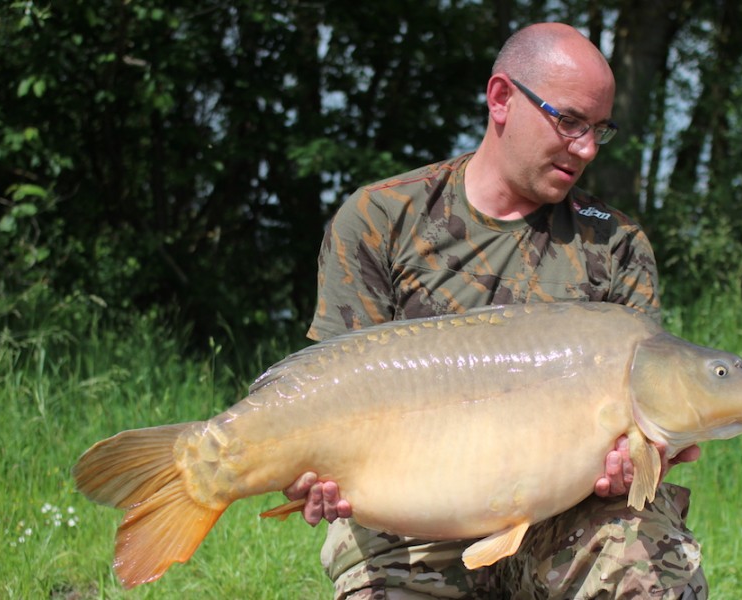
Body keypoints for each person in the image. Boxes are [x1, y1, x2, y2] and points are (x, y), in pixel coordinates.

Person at [285, 22, 706, 599]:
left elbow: (646, 414)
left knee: (645, 569)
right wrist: (314, 473)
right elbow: (332, 391)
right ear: (502, 98)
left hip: (564, 517)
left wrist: (644, 456)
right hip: (408, 529)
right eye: (569, 122)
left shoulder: (615, 244)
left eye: (599, 130)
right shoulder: (381, 220)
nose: (585, 148)